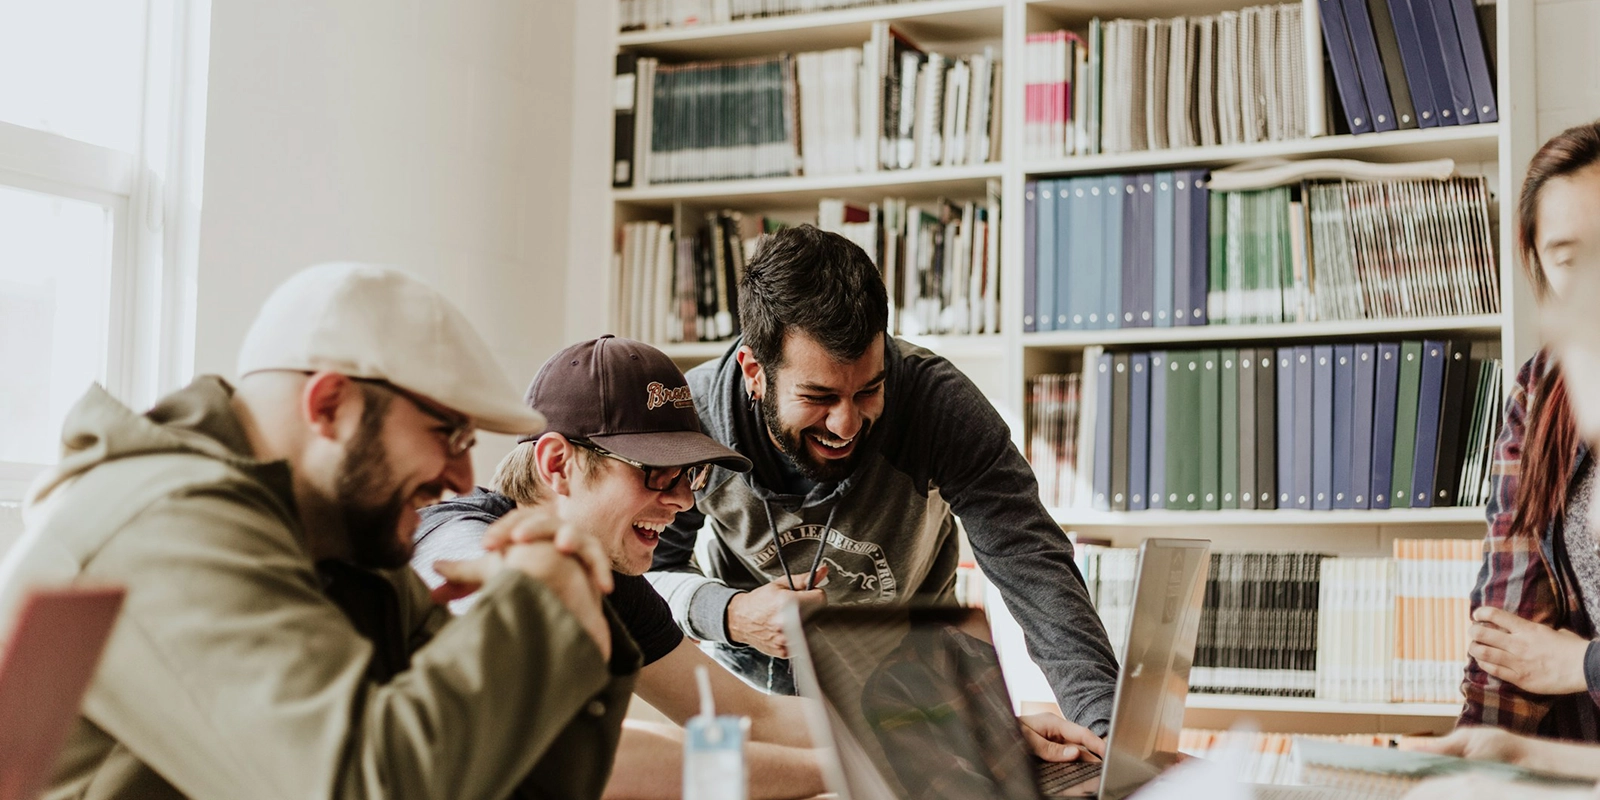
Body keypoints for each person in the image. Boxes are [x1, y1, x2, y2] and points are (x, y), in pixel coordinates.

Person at [0, 262, 636, 799]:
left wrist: (577, 617)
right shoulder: (164, 525)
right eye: (447, 434)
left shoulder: (343, 543)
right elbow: (364, 785)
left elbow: (507, 780)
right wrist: (536, 604)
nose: (462, 478)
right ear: (329, 405)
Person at [410, 335, 1095, 800]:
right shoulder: (460, 544)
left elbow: (746, 714)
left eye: (690, 477)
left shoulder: (611, 580)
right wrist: (870, 767)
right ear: (558, 463)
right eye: (656, 474)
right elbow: (591, 756)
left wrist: (961, 731)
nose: (684, 503)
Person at [645, 224, 1120, 745]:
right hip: (756, 699)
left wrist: (1105, 730)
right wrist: (730, 614)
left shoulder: (937, 405)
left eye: (868, 390)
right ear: (754, 370)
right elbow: (647, 574)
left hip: (914, 687)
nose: (846, 424)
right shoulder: (694, 422)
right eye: (819, 397)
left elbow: (1031, 562)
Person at [1460, 120, 1600, 742]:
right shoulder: (1543, 390)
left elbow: (1558, 661)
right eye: (1570, 259)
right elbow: (1508, 631)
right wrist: (1475, 752)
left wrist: (1582, 664)